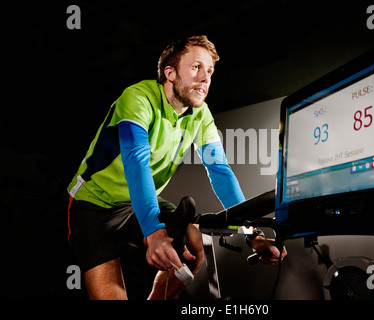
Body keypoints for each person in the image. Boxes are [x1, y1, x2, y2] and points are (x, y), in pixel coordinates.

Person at [67, 35, 287, 300]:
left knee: (196, 246)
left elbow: (220, 172)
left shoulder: (200, 113)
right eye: (196, 67)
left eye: (209, 71)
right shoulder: (137, 98)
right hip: (94, 204)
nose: (205, 78)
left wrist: (254, 236)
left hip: (136, 201)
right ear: (169, 73)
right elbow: (137, 164)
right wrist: (154, 233)